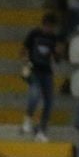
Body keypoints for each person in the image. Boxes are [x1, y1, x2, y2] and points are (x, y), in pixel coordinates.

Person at [21, 13, 61, 141]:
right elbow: (23, 49)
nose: (49, 29)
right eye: (47, 26)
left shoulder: (54, 38)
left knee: (49, 101)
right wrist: (26, 62)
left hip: (46, 71)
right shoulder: (34, 34)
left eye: (52, 27)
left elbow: (56, 59)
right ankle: (28, 119)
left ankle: (42, 130)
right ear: (43, 24)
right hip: (34, 70)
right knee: (35, 94)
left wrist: (59, 53)